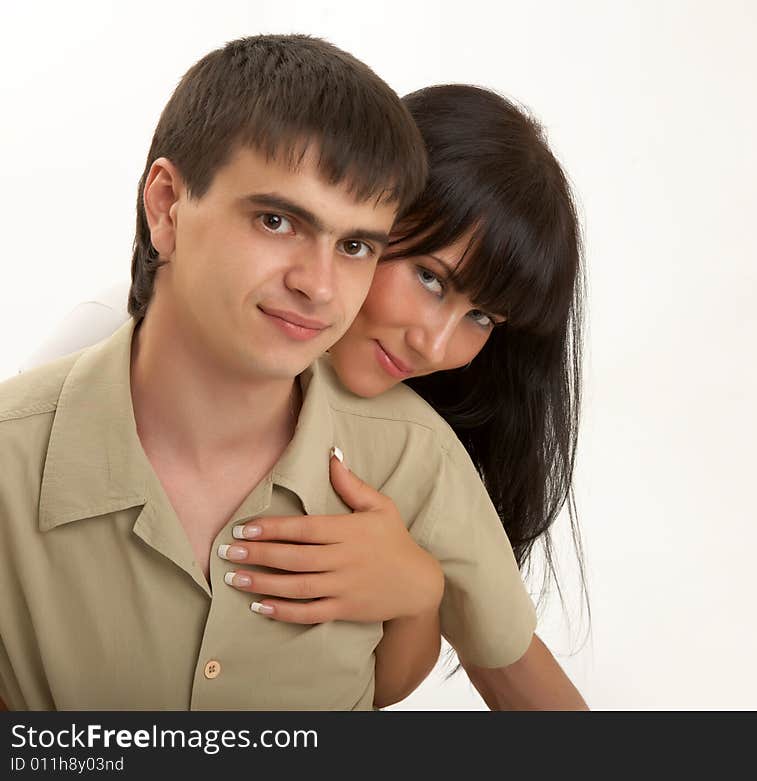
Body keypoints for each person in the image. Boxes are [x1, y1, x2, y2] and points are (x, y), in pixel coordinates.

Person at [0, 34, 540, 710]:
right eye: (277, 220)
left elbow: (386, 689)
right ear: (167, 206)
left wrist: (418, 594)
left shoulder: (411, 448)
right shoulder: (40, 419)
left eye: (353, 245)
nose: (318, 286)